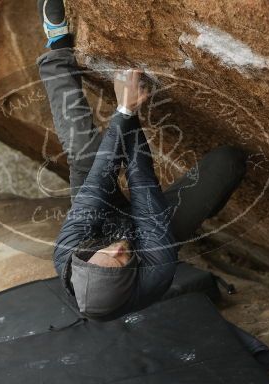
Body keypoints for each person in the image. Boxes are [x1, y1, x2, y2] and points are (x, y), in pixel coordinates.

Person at [38, 0, 247, 320]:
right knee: (229, 161)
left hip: (102, 212)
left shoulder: (68, 252)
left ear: (87, 255)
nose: (118, 247)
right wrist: (128, 112)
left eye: (106, 252)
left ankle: (57, 46)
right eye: (121, 259)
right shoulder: (156, 271)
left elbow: (98, 180)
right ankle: (203, 210)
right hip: (151, 231)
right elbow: (144, 187)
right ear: (131, 276)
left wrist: (125, 113)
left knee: (86, 153)